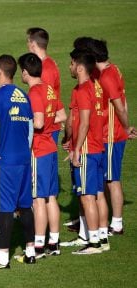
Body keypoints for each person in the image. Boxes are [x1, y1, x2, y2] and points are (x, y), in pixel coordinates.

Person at [0, 55, 34, 270]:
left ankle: (2, 259)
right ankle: (30, 252)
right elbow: (29, 130)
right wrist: (25, 151)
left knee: (5, 208)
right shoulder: (23, 95)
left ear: (0, 71)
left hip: (5, 161)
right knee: (25, 206)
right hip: (24, 159)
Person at [17, 53, 67, 261]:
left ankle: (38, 246)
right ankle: (53, 242)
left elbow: (37, 123)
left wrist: (22, 124)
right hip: (51, 149)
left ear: (26, 72)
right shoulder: (48, 88)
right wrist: (48, 120)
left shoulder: (35, 92)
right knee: (50, 198)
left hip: (38, 150)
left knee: (38, 200)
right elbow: (63, 116)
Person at [61, 50, 109, 255]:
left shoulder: (81, 91)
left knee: (87, 197)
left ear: (80, 67)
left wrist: (76, 149)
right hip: (98, 147)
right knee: (98, 194)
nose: (70, 67)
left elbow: (84, 122)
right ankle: (102, 237)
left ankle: (94, 243)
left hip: (87, 150)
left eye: (72, 64)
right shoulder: (95, 88)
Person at [89, 39, 135, 236]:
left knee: (111, 179)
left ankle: (116, 223)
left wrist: (126, 127)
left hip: (111, 135)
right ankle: (110, 220)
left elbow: (118, 105)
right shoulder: (113, 69)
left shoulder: (107, 77)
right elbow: (124, 101)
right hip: (113, 133)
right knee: (108, 177)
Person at [27, 28, 61, 103]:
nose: (27, 45)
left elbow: (48, 99)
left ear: (33, 44)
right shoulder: (45, 63)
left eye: (28, 41)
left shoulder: (45, 69)